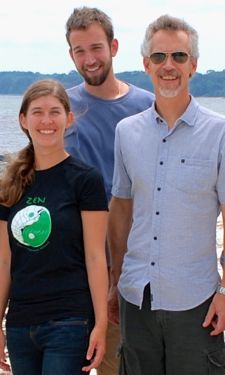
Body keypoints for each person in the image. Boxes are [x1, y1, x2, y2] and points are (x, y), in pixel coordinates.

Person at [108, 14, 225, 375]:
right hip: (135, 296)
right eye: (159, 57)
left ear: (194, 65)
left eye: (178, 56)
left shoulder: (219, 133)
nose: (168, 66)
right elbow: (122, 210)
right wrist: (114, 282)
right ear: (146, 64)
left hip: (198, 301)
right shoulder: (126, 132)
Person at [64, 6, 154, 375]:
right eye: (79, 51)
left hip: (130, 261)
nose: (89, 59)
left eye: (96, 47)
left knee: (121, 362)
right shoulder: (60, 107)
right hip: (72, 262)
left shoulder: (148, 106)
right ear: (70, 55)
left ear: (114, 47)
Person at [0, 79, 109, 375]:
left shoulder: (86, 180)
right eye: (37, 112)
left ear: (68, 119)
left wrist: (100, 324)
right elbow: (5, 260)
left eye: (54, 112)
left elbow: (96, 257)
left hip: (69, 321)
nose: (46, 121)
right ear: (23, 119)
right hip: (21, 324)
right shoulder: (10, 183)